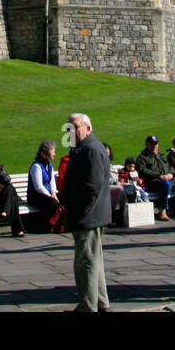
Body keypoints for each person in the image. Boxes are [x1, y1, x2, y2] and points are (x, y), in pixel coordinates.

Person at [62, 112, 111, 312]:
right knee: (93, 260)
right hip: (88, 214)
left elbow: (92, 187)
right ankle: (99, 302)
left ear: (88, 128)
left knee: (85, 263)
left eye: (75, 127)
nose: (70, 131)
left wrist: (77, 208)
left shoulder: (90, 150)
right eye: (68, 128)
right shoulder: (82, 148)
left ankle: (88, 305)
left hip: (88, 215)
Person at [135, 135, 175, 220]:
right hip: (153, 182)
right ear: (147, 144)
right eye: (152, 144)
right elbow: (143, 171)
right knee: (166, 184)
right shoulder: (142, 158)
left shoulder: (161, 157)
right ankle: (162, 211)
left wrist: (171, 174)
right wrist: (160, 176)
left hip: (167, 180)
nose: (154, 146)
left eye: (155, 144)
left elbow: (170, 167)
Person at [26, 141, 63, 232]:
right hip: (36, 196)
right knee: (53, 203)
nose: (54, 154)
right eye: (53, 151)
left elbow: (52, 181)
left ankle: (61, 224)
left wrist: (54, 193)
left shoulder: (49, 165)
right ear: (45, 153)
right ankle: (49, 225)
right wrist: (51, 196)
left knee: (65, 198)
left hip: (48, 194)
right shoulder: (36, 166)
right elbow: (39, 187)